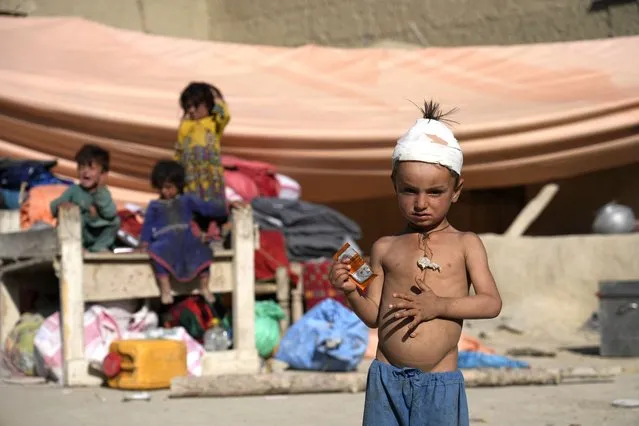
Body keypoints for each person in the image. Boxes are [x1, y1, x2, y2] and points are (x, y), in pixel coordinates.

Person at [329, 101, 502, 426]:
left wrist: (438, 306)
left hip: (439, 382)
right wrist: (351, 291)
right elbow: (373, 318)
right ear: (394, 185)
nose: (421, 203)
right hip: (386, 379)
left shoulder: (466, 244)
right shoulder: (384, 248)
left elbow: (491, 303)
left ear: (456, 191)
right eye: (409, 191)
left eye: (435, 192)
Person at [140, 160, 231, 305]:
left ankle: (204, 287)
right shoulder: (154, 206)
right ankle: (165, 289)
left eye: (169, 187)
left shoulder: (187, 201)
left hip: (187, 239)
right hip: (165, 241)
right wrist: (144, 243)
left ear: (178, 185)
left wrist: (226, 206)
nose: (165, 192)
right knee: (156, 252)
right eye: (161, 188)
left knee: (204, 252)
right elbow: (147, 227)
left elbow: (206, 208)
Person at [174, 82, 232, 240]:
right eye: (188, 107)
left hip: (211, 179)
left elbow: (225, 113)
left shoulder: (214, 123)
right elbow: (179, 151)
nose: (191, 110)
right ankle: (196, 231)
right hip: (191, 178)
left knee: (213, 205)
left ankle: (214, 230)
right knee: (192, 205)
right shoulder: (185, 127)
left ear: (207, 105)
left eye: (196, 106)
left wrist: (214, 93)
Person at [50, 144, 120, 252]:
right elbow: (53, 207)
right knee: (72, 216)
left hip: (96, 231)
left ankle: (99, 249)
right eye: (81, 168)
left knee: (116, 221)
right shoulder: (74, 190)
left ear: (103, 173)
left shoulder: (103, 192)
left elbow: (110, 213)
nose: (85, 172)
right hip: (79, 234)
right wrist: (62, 206)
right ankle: (78, 248)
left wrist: (99, 191)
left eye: (91, 168)